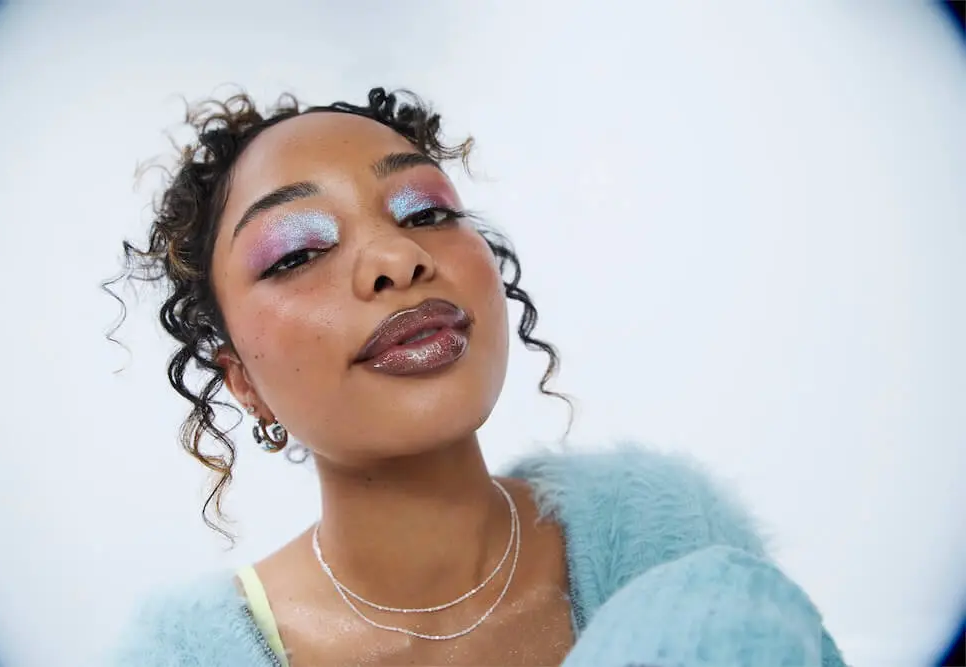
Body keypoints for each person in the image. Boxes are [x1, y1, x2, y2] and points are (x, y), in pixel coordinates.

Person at [110, 87, 847, 667]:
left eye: (425, 213)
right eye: (298, 253)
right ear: (242, 380)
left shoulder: (675, 551)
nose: (399, 259)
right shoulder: (185, 655)